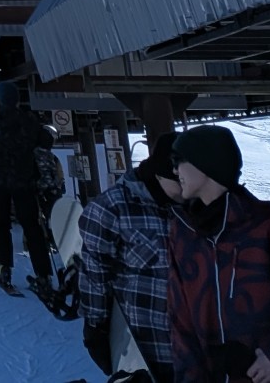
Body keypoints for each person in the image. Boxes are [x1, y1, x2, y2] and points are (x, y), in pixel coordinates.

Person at [167, 125, 270, 383]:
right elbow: (181, 322)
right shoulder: (184, 235)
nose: (175, 170)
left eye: (179, 161)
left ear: (206, 163)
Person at [76, 137, 181, 382]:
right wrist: (96, 327)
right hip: (148, 344)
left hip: (195, 349)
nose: (187, 188)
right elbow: (95, 274)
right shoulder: (113, 208)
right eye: (180, 181)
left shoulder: (191, 204)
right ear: (161, 174)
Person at [0, 80, 56, 300]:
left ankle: (4, 267)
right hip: (24, 181)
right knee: (32, 227)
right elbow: (46, 141)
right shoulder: (29, 121)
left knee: (0, 225)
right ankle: (43, 274)